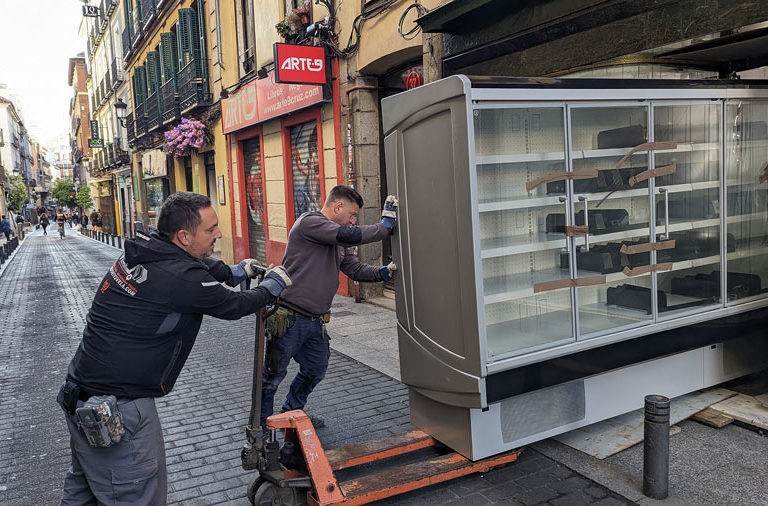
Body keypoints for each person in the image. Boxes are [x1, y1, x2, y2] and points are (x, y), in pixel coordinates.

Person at [56, 192, 292, 505]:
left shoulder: (141, 252)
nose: (218, 234)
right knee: (137, 497)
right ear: (183, 235)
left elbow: (192, 266)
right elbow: (232, 305)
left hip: (81, 398)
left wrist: (233, 272)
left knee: (83, 495)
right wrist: (271, 286)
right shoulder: (180, 277)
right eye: (210, 230)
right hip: (117, 414)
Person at [260, 185, 398, 429]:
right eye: (352, 215)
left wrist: (382, 273)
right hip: (288, 318)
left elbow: (354, 269)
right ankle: (260, 428)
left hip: (315, 321)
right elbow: (349, 235)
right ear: (337, 207)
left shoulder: (337, 239)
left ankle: (292, 414)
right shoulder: (309, 223)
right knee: (271, 378)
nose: (354, 221)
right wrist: (384, 226)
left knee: (315, 369)